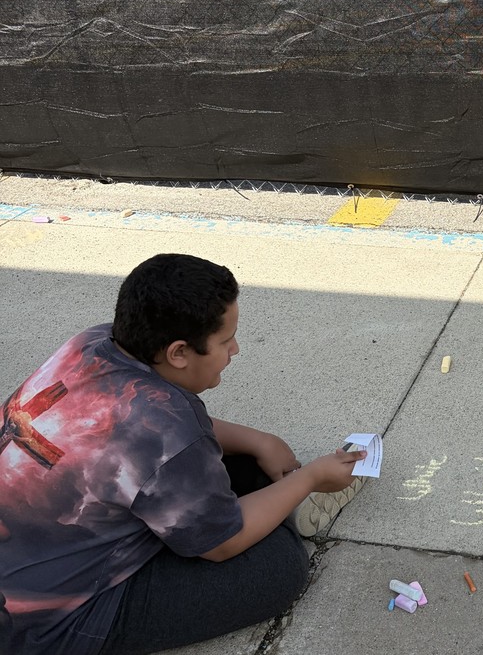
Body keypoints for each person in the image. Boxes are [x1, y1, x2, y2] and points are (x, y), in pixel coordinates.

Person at [0, 253, 366, 654]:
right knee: (277, 568)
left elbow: (157, 436)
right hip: (47, 623)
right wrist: (309, 479)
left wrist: (257, 441)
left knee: (235, 466)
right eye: (225, 341)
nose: (235, 349)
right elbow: (221, 544)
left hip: (27, 551)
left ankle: (266, 500)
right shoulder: (168, 425)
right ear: (178, 353)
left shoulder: (90, 344)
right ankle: (286, 504)